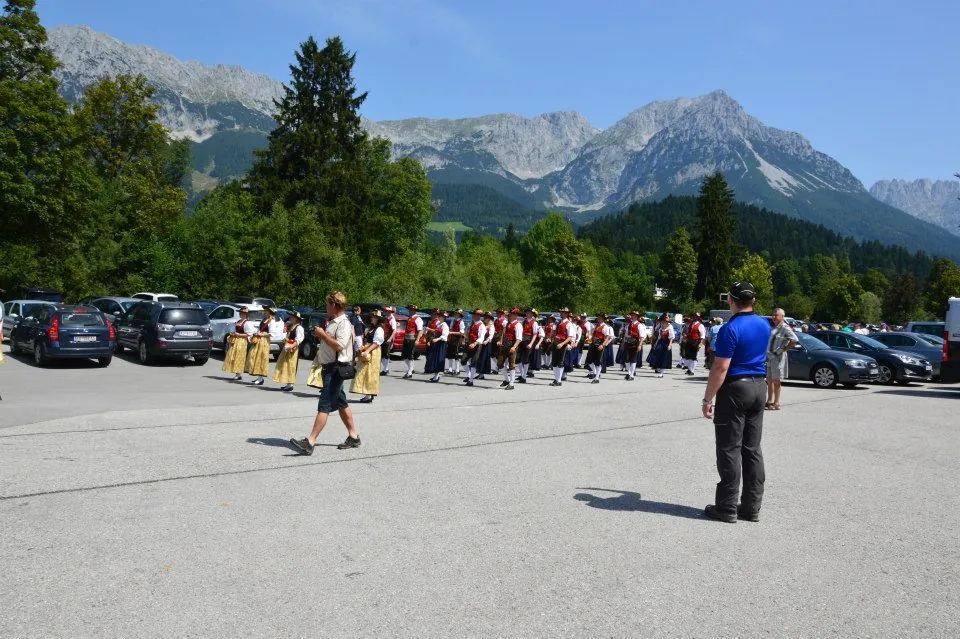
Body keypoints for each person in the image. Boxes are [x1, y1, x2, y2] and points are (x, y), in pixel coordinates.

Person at [701, 281, 771, 523]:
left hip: (735, 388)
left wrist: (707, 398)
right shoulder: (764, 324)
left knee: (730, 448)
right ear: (753, 301)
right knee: (752, 449)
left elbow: (720, 367)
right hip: (759, 385)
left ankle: (727, 507)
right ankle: (752, 507)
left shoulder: (729, 329)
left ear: (730, 300)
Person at [290, 291, 362, 454]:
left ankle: (310, 441)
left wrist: (323, 334)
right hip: (329, 367)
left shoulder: (342, 323)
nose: (326, 307)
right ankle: (354, 436)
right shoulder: (334, 321)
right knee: (341, 403)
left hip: (336, 369)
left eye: (327, 304)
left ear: (334, 305)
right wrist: (320, 337)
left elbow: (339, 346)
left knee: (325, 404)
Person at [765, 308, 797, 411]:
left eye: (776, 315)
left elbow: (794, 340)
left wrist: (783, 349)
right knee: (769, 380)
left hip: (778, 357)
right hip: (770, 357)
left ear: (782, 317)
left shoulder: (785, 327)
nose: (773, 317)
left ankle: (777, 402)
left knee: (776, 380)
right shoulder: (774, 327)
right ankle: (769, 401)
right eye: (773, 315)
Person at [352, 309, 385, 403]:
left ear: (378, 319)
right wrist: (362, 349)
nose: (371, 318)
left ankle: (369, 394)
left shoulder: (379, 329)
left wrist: (367, 351)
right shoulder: (372, 328)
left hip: (373, 352)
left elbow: (376, 343)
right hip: (368, 350)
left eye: (373, 317)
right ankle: (367, 394)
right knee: (365, 373)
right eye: (372, 316)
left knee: (370, 373)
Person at [273, 310, 305, 392]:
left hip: (292, 349)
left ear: (296, 318)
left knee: (291, 365)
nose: (290, 317)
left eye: (292, 316)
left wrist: (291, 345)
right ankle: (288, 383)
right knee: (286, 365)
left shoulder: (299, 328)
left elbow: (298, 340)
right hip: (288, 348)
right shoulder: (291, 326)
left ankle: (290, 384)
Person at [223, 306, 255, 380]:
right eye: (240, 313)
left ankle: (239, 373)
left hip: (242, 341)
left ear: (246, 314)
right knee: (233, 356)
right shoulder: (238, 321)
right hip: (235, 341)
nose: (241, 314)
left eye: (243, 313)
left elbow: (249, 334)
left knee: (239, 356)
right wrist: (233, 334)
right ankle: (237, 373)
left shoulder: (247, 323)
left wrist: (239, 335)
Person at [245, 307, 274, 386]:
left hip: (264, 341)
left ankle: (260, 378)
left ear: (269, 312)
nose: (264, 312)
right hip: (259, 340)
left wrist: (261, 334)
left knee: (261, 358)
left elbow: (271, 333)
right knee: (254, 356)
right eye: (265, 311)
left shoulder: (272, 320)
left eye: (266, 311)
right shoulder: (264, 319)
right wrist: (257, 333)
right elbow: (260, 329)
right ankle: (259, 377)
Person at [497, 307, 523, 390]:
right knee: (499, 363)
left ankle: (511, 383)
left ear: (515, 315)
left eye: (511, 314)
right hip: (504, 345)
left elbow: (519, 338)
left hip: (512, 346)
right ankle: (507, 380)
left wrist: (514, 347)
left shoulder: (518, 325)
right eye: (509, 314)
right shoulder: (507, 323)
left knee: (512, 365)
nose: (509, 316)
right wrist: (500, 341)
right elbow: (503, 334)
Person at [586, 313, 615, 384]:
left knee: (598, 362)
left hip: (599, 345)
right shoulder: (596, 326)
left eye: (599, 317)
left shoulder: (605, 326)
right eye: (598, 317)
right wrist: (589, 338)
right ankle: (596, 373)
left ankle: (597, 378)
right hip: (593, 345)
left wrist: (602, 345)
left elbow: (607, 337)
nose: (598, 318)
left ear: (603, 319)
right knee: (589, 361)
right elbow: (592, 334)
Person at [461, 308, 486, 387]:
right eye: (473, 314)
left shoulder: (481, 325)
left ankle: (471, 380)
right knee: (463, 360)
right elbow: (467, 332)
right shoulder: (472, 323)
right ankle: (469, 375)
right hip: (469, 344)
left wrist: (474, 343)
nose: (473, 316)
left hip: (476, 345)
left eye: (475, 315)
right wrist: (465, 339)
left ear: (478, 316)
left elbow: (481, 337)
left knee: (473, 363)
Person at [424, 308, 449, 383]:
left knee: (438, 359)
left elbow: (445, 335)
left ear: (444, 318)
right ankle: (435, 376)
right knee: (434, 358)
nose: (439, 317)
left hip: (441, 343)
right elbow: (435, 332)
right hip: (436, 342)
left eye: (440, 316)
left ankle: (436, 377)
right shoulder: (438, 324)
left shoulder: (445, 325)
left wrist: (437, 339)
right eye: (439, 316)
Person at [551, 308, 574, 387]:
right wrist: (553, 339)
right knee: (554, 362)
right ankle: (557, 378)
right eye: (561, 312)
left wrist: (562, 344)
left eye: (563, 313)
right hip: (555, 343)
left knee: (560, 362)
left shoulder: (569, 324)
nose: (561, 313)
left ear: (566, 314)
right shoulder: (558, 323)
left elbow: (570, 337)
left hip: (562, 344)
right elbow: (553, 333)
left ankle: (559, 380)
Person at [647, 313, 675, 378]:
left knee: (664, 357)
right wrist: (655, 343)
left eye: (666, 320)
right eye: (664, 320)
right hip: (660, 342)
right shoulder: (660, 326)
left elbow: (672, 337)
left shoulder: (670, 326)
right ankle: (657, 367)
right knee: (656, 355)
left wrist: (670, 345)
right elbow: (656, 333)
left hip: (666, 343)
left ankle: (662, 372)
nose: (664, 322)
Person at [622, 311, 647, 381]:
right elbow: (626, 335)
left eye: (634, 315)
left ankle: (631, 375)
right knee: (626, 359)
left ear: (637, 317)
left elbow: (642, 336)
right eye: (632, 315)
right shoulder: (628, 325)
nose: (632, 316)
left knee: (633, 359)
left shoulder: (640, 325)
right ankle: (629, 372)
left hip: (635, 343)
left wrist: (640, 345)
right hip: (628, 342)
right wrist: (623, 343)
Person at [401, 304, 424, 379]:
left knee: (410, 355)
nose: (410, 311)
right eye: (410, 310)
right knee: (404, 356)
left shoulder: (418, 319)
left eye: (412, 310)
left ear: (415, 311)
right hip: (406, 338)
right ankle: (411, 368)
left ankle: (410, 372)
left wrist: (417, 339)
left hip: (412, 338)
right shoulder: (409, 318)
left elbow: (420, 330)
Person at [517, 309, 538, 383]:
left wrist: (531, 344)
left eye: (528, 313)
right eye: (526, 313)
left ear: (532, 314)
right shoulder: (524, 322)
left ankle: (524, 377)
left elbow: (535, 334)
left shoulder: (534, 323)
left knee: (526, 359)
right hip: (522, 341)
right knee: (518, 359)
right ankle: (523, 374)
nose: (527, 314)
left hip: (529, 341)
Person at [446, 309, 466, 376]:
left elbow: (461, 333)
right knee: (450, 354)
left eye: (457, 314)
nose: (455, 315)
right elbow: (451, 328)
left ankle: (457, 370)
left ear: (460, 315)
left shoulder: (461, 322)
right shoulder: (453, 320)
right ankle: (450, 369)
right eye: (455, 313)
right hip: (451, 338)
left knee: (456, 355)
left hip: (457, 339)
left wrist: (452, 332)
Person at [477, 311, 496, 380]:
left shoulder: (492, 326)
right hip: (481, 342)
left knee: (484, 358)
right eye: (485, 317)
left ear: (490, 319)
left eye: (487, 318)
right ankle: (480, 373)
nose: (485, 319)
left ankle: (482, 374)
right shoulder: (483, 325)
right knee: (479, 358)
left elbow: (491, 335)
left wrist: (486, 341)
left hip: (486, 343)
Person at [381, 306, 397, 375]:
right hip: (383, 338)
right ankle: (385, 369)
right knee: (383, 354)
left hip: (388, 338)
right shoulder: (386, 318)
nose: (384, 312)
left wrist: (390, 338)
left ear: (389, 312)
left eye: (385, 311)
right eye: (384, 311)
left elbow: (394, 330)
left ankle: (385, 369)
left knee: (386, 354)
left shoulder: (391, 319)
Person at [528, 311, 545, 377]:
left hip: (536, 343)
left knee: (534, 357)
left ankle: (531, 371)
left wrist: (538, 344)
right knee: (529, 357)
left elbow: (542, 337)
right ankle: (528, 370)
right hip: (531, 342)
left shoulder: (539, 328)